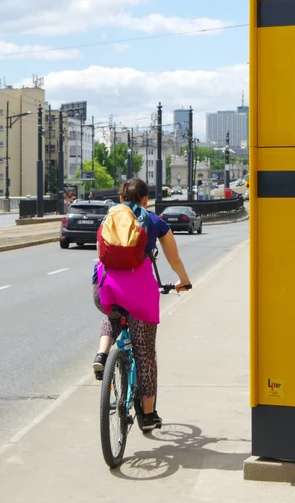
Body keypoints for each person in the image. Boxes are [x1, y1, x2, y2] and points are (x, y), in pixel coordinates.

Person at [91, 177, 191, 432]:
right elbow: (174, 258)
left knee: (111, 313)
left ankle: (102, 353)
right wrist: (183, 281)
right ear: (145, 199)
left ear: (121, 198)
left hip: (104, 287)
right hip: (139, 293)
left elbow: (100, 256)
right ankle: (147, 416)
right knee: (145, 354)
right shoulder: (154, 221)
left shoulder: (109, 217)